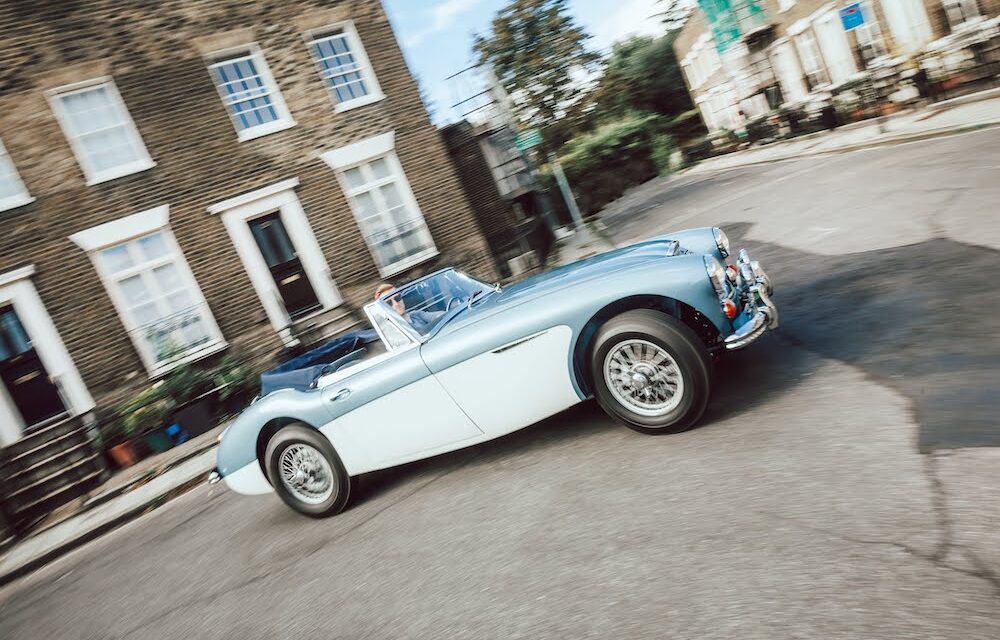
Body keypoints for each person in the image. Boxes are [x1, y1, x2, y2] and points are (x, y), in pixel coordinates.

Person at [373, 283, 444, 334]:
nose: (396, 304)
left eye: (397, 298)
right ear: (384, 308)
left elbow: (440, 315)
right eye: (389, 303)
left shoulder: (416, 314)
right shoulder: (391, 330)